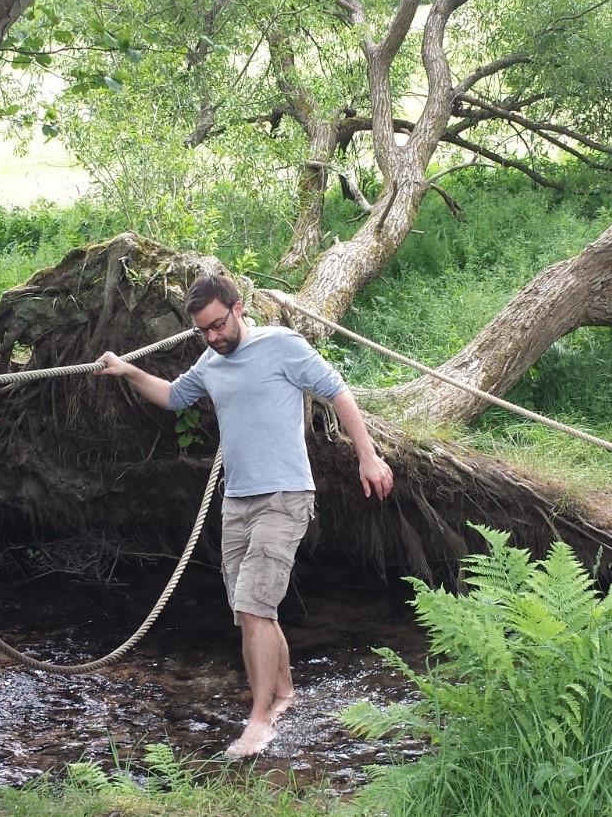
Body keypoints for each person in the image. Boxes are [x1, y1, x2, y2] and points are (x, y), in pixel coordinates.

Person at [97, 273, 394, 758]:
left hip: (285, 495)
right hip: (237, 500)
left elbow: (338, 392)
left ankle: (258, 723)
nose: (212, 337)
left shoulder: (281, 345)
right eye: (203, 331)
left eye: (217, 324)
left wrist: (368, 455)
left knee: (255, 606)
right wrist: (127, 370)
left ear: (237, 308)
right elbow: (174, 397)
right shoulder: (211, 360)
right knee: (250, 608)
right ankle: (284, 695)